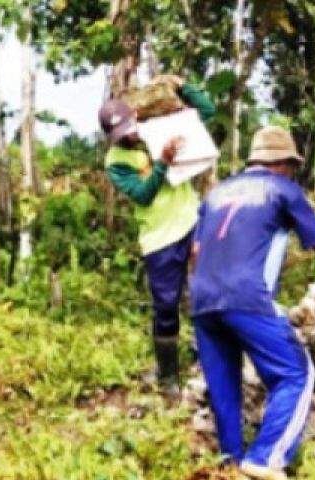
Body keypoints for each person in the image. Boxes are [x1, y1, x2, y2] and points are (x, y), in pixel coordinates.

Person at [190, 127, 315, 480]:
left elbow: (195, 252)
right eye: (292, 166)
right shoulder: (282, 189)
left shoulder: (215, 194)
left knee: (224, 386)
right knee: (296, 374)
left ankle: (230, 467)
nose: (293, 173)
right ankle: (266, 458)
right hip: (247, 296)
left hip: (203, 300)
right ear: (282, 163)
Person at [101, 74, 216, 396]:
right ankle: (168, 376)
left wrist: (182, 86)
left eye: (129, 129)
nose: (128, 138)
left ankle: (210, 358)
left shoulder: (160, 128)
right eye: (119, 135)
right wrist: (163, 162)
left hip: (191, 222)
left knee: (206, 294)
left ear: (135, 116)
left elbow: (206, 112)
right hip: (159, 239)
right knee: (166, 307)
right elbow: (143, 194)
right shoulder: (116, 162)